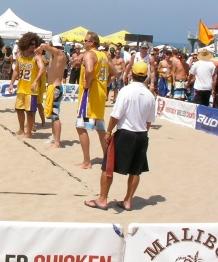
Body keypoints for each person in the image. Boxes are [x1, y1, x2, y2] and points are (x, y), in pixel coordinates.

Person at [84, 61, 156, 211]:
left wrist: (109, 131)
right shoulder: (150, 95)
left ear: (132, 74)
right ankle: (128, 201)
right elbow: (149, 122)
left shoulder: (126, 91)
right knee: (136, 170)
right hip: (141, 135)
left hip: (125, 133)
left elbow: (116, 115)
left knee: (108, 167)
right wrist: (143, 134)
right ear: (146, 77)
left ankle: (102, 200)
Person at [75, 32, 117, 169]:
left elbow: (89, 70)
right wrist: (104, 84)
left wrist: (87, 83)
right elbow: (115, 73)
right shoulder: (103, 56)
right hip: (100, 95)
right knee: (100, 128)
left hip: (90, 95)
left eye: (85, 40)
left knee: (80, 126)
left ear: (92, 42)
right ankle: (107, 158)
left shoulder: (89, 54)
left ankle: (87, 161)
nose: (83, 42)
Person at [8, 32, 45, 138]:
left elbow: (42, 69)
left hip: (31, 90)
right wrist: (11, 84)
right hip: (21, 88)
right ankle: (21, 129)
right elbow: (16, 70)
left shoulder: (36, 57)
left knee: (30, 112)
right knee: (19, 109)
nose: (33, 46)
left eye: (35, 44)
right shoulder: (20, 55)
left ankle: (28, 132)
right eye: (31, 44)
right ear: (26, 43)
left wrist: (35, 81)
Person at [35, 35, 66, 149]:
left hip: (56, 88)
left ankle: (57, 143)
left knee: (55, 116)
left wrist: (41, 48)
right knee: (52, 115)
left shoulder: (59, 53)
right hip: (53, 87)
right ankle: (54, 138)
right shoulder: (55, 55)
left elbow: (43, 46)